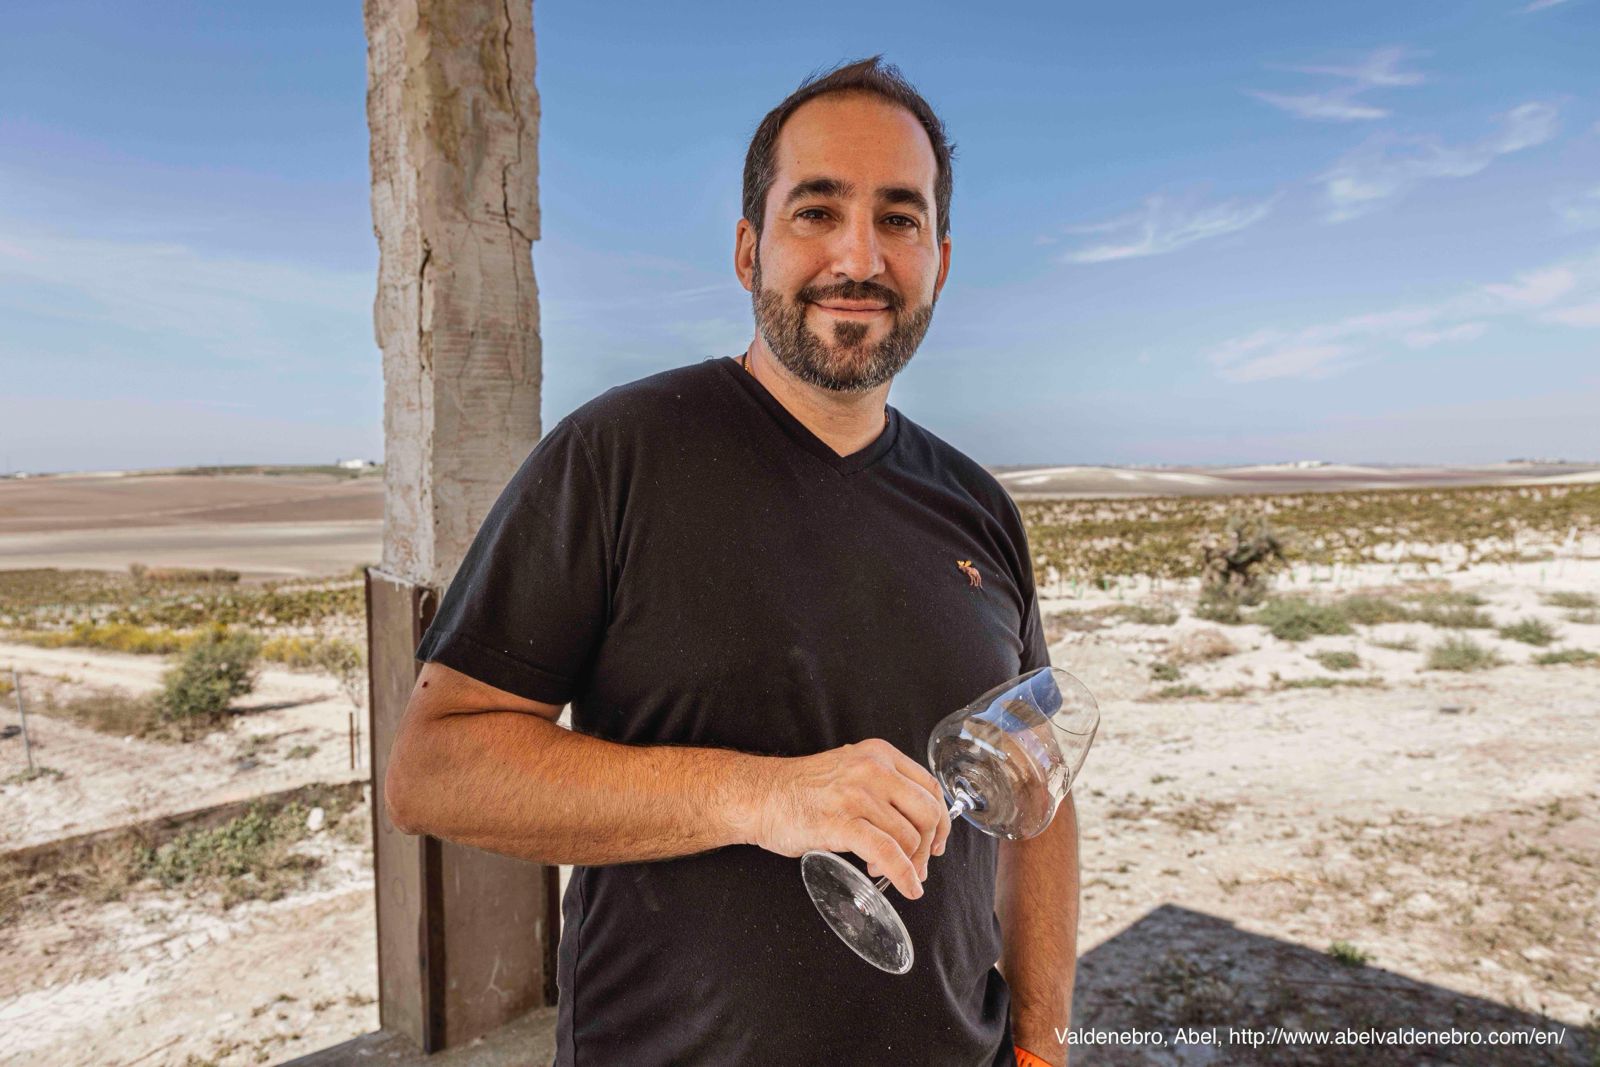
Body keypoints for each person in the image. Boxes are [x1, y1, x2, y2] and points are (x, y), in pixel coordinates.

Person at [384, 56, 1079, 1067]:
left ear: (938, 257)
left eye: (898, 217)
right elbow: (435, 770)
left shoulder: (977, 506)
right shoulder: (617, 453)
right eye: (816, 211)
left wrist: (1042, 1043)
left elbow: (1038, 792)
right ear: (750, 247)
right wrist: (762, 796)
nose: (859, 254)